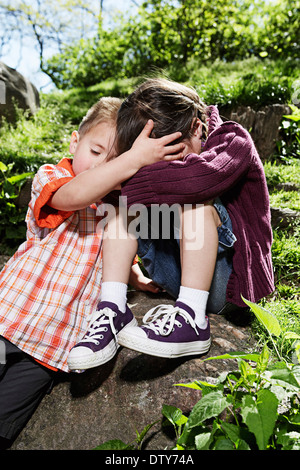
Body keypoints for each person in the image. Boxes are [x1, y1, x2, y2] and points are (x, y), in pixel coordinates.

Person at [0, 96, 185, 448]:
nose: (103, 166)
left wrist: (136, 277)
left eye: (116, 161)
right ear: (75, 141)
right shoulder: (55, 178)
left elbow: (114, 254)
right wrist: (132, 158)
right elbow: (73, 197)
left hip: (49, 349)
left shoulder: (120, 209)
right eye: (96, 151)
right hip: (8, 318)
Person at [68, 78, 274, 369]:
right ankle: (114, 308)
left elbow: (197, 180)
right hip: (172, 274)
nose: (164, 171)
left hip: (228, 283)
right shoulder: (173, 146)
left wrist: (125, 175)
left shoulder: (232, 139)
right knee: (123, 211)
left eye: (175, 158)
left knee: (192, 200)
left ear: (196, 128)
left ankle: (192, 318)